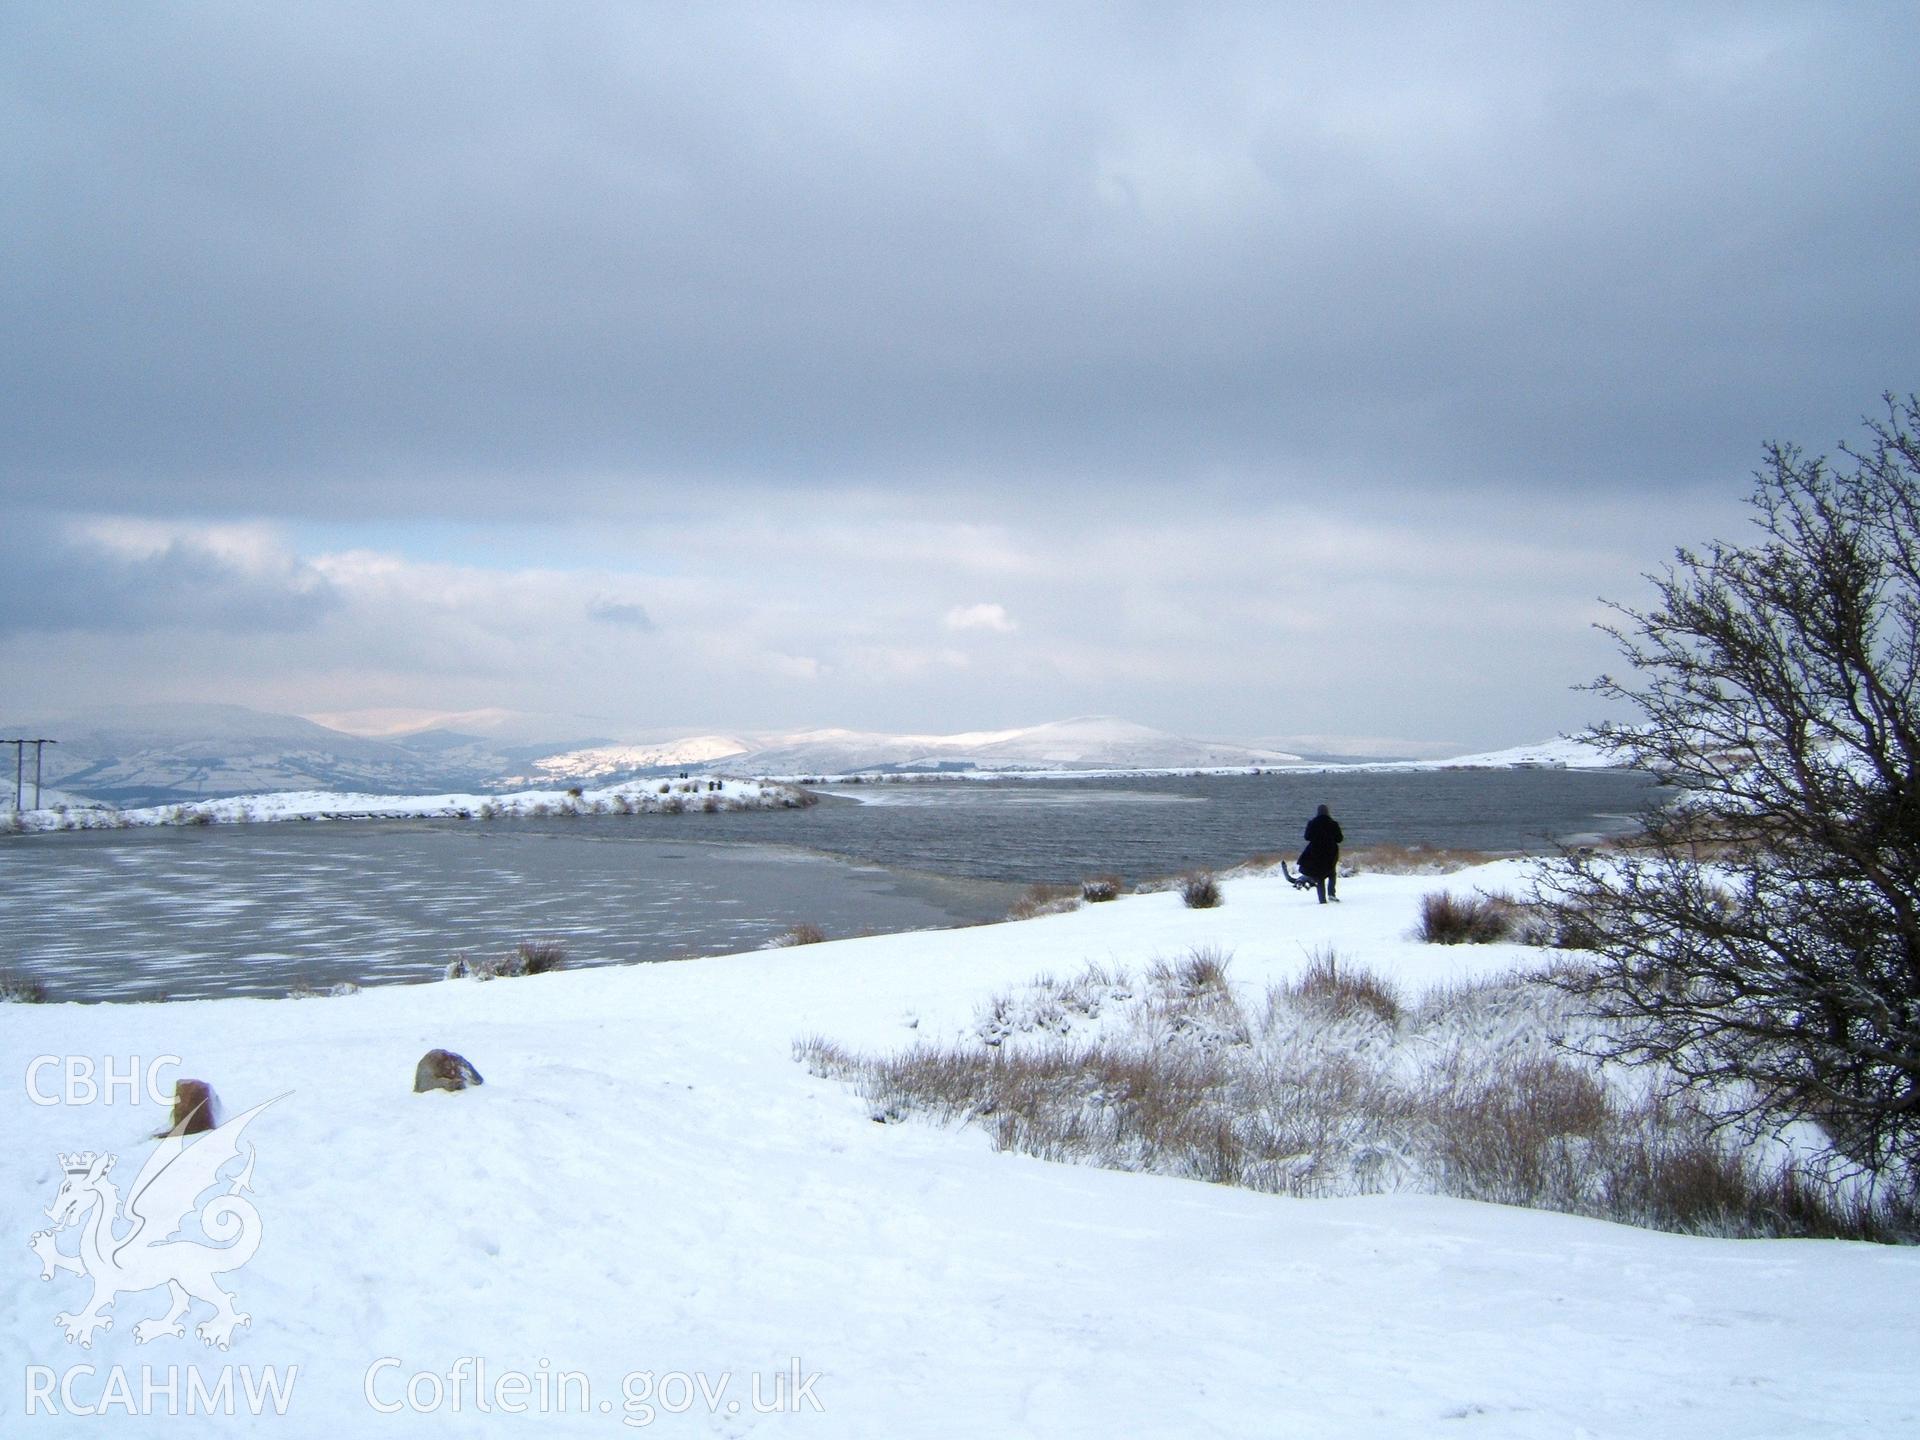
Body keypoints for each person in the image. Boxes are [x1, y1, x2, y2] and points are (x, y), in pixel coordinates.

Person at [1300, 803, 1344, 904]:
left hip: (1316, 852)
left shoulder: (1312, 823)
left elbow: (1307, 837)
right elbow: (1339, 839)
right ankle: (1331, 894)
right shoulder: (1333, 824)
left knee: (1320, 876)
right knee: (1332, 873)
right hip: (1331, 853)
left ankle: (1322, 899)